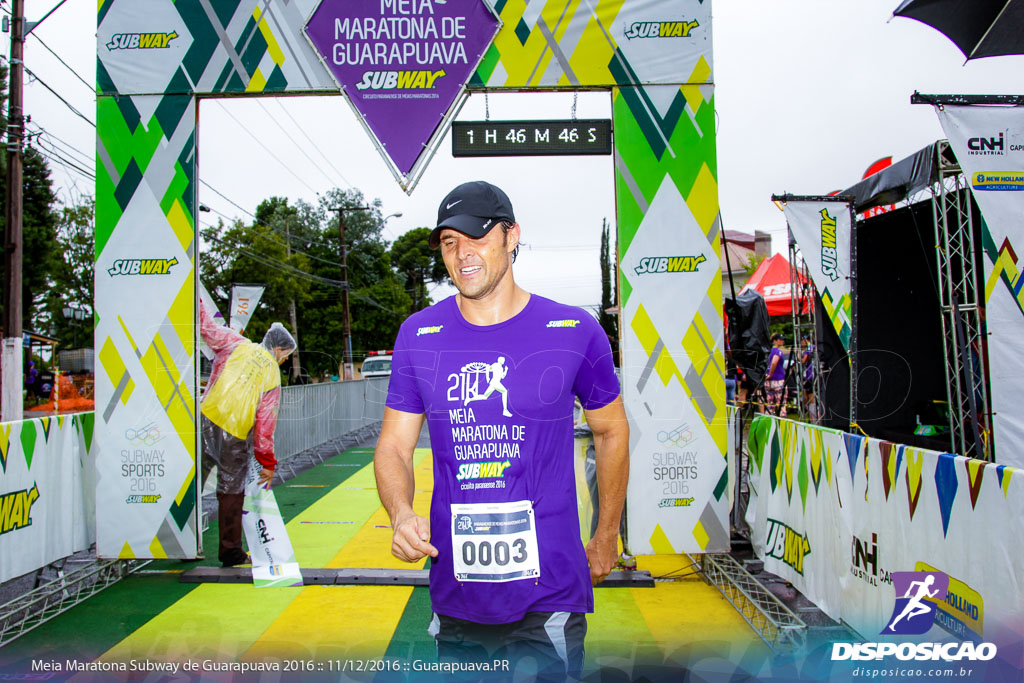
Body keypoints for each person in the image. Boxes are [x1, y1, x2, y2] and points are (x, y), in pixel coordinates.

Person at [374, 180, 629, 680]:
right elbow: (393, 446)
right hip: (456, 588)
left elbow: (612, 431)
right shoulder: (417, 335)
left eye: (476, 236)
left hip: (549, 587)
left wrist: (606, 532)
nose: (462, 254)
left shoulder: (575, 329)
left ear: (512, 236)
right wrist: (400, 513)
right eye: (449, 242)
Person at [198, 302, 296, 567]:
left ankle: (169, 537)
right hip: (235, 435)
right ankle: (230, 552)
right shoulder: (272, 374)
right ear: (278, 348)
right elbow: (265, 426)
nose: (285, 359)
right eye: (286, 354)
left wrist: (197, 301)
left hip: (205, 421)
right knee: (230, 492)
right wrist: (267, 462)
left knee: (189, 481)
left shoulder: (236, 343)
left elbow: (208, 328)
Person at [763, 333, 787, 417]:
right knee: (781, 404)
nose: (782, 341)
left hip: (768, 382)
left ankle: (769, 424)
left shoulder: (767, 351)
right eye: (780, 340)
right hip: (778, 380)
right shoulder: (777, 351)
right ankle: (783, 424)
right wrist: (770, 374)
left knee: (770, 405)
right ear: (775, 341)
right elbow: (774, 363)